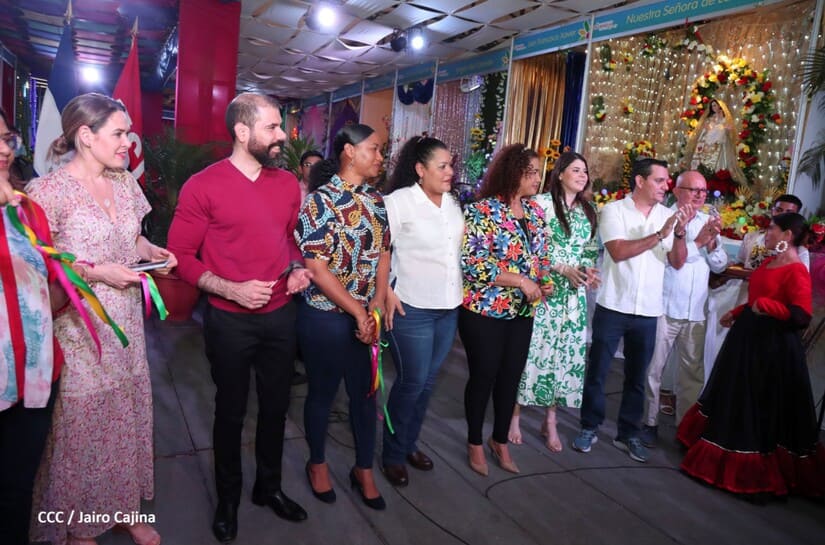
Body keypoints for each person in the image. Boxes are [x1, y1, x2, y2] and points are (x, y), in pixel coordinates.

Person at [27, 93, 176, 545]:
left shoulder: (125, 182)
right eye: (119, 133)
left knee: (124, 420)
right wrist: (96, 272)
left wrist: (151, 252)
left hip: (127, 324)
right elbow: (39, 264)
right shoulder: (47, 192)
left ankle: (124, 509)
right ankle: (78, 525)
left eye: (129, 132)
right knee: (82, 429)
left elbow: (133, 238)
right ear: (86, 136)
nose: (129, 142)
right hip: (79, 328)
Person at [168, 92, 312, 543]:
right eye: (272, 127)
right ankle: (228, 499)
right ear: (242, 131)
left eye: (280, 126)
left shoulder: (286, 184)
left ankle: (269, 488)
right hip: (228, 321)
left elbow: (287, 240)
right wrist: (229, 288)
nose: (282, 135)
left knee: (276, 408)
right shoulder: (203, 186)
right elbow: (179, 256)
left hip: (281, 317)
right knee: (231, 412)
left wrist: (296, 267)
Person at [678, 213, 825, 501]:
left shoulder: (796, 270)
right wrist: (738, 312)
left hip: (771, 349)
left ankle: (750, 468)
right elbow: (758, 297)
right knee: (736, 399)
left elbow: (801, 316)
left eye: (772, 229)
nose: (766, 233)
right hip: (748, 339)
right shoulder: (770, 261)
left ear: (787, 235)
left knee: (757, 404)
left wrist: (767, 306)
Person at [295, 124, 390, 510]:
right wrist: (357, 311)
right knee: (322, 393)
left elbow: (384, 252)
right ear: (349, 151)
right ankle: (317, 463)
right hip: (326, 316)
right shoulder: (319, 201)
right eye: (374, 149)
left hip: (367, 315)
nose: (380, 157)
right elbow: (316, 269)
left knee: (365, 396)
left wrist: (378, 303)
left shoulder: (377, 200)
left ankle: (363, 468)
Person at [572, 158, 692, 463]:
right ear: (640, 181)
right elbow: (618, 251)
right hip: (614, 304)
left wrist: (679, 234)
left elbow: (678, 262)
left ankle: (627, 434)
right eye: (659, 180)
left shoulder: (668, 216)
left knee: (638, 377)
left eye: (667, 181)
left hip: (649, 310)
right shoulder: (614, 210)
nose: (666, 186)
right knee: (598, 371)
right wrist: (660, 235)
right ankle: (589, 426)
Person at [460, 144, 551, 476]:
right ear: (513, 172)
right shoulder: (482, 210)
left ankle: (499, 440)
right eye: (532, 172)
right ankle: (474, 442)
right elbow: (472, 263)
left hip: (522, 312)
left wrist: (543, 281)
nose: (538, 179)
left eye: (539, 172)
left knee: (511, 377)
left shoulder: (535, 212)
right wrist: (519, 281)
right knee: (484, 376)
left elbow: (541, 257)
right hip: (484, 309)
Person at [379, 136, 463, 486]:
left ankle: (409, 444)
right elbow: (380, 249)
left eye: (450, 165)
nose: (450, 171)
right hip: (411, 307)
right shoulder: (399, 202)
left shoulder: (453, 203)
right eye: (442, 166)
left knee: (427, 384)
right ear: (420, 169)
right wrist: (385, 291)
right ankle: (393, 454)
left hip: (448, 307)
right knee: (412, 381)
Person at [0, 112, 67, 545]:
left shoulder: (29, 209)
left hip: (36, 375)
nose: (4, 149)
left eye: (7, 138)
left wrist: (74, 283)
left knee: (16, 490)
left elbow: (51, 289)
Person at [508, 151, 599, 452]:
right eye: (576, 170)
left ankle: (551, 420)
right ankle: (514, 415)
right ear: (560, 174)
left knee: (563, 356)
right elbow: (530, 248)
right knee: (533, 353)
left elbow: (589, 250)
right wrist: (561, 267)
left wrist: (587, 271)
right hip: (544, 290)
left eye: (585, 171)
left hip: (573, 296)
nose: (582, 175)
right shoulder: (540, 204)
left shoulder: (589, 210)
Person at [640, 171, 727, 447]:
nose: (700, 195)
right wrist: (698, 242)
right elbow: (674, 261)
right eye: (694, 190)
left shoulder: (705, 221)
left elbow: (720, 265)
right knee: (653, 369)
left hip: (696, 311)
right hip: (664, 307)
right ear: (677, 191)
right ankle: (649, 423)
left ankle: (684, 430)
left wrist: (712, 243)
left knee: (692, 374)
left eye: (703, 191)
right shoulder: (663, 218)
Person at [683, 98, 746, 184]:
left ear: (720, 106)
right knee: (705, 161)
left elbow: (729, 131)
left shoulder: (725, 119)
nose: (713, 108)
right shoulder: (710, 119)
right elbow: (706, 131)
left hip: (720, 145)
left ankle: (718, 178)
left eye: (715, 105)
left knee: (720, 163)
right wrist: (711, 129)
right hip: (708, 145)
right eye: (712, 106)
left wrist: (723, 129)